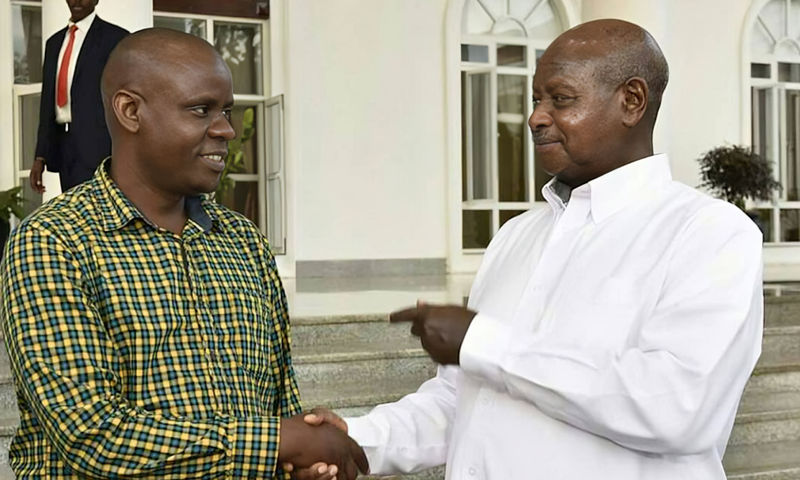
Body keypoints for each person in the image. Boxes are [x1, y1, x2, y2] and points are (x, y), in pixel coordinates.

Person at [299, 19, 764, 480]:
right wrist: (359, 440)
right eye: (536, 100)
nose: (536, 117)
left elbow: (678, 406)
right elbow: (467, 400)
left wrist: (482, 341)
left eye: (560, 99)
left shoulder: (709, 234)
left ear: (631, 101)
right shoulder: (515, 236)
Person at [1, 29, 367, 480]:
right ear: (130, 111)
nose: (226, 130)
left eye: (226, 111)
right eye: (201, 110)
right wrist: (278, 441)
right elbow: (91, 435)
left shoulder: (243, 242)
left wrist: (298, 460)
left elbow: (280, 406)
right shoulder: (54, 242)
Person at [31, 0, 128, 194]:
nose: (76, 0)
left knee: (101, 208)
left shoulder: (116, 38)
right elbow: (47, 103)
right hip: (65, 147)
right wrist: (40, 156)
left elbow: (126, 93)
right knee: (74, 208)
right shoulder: (54, 43)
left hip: (101, 146)